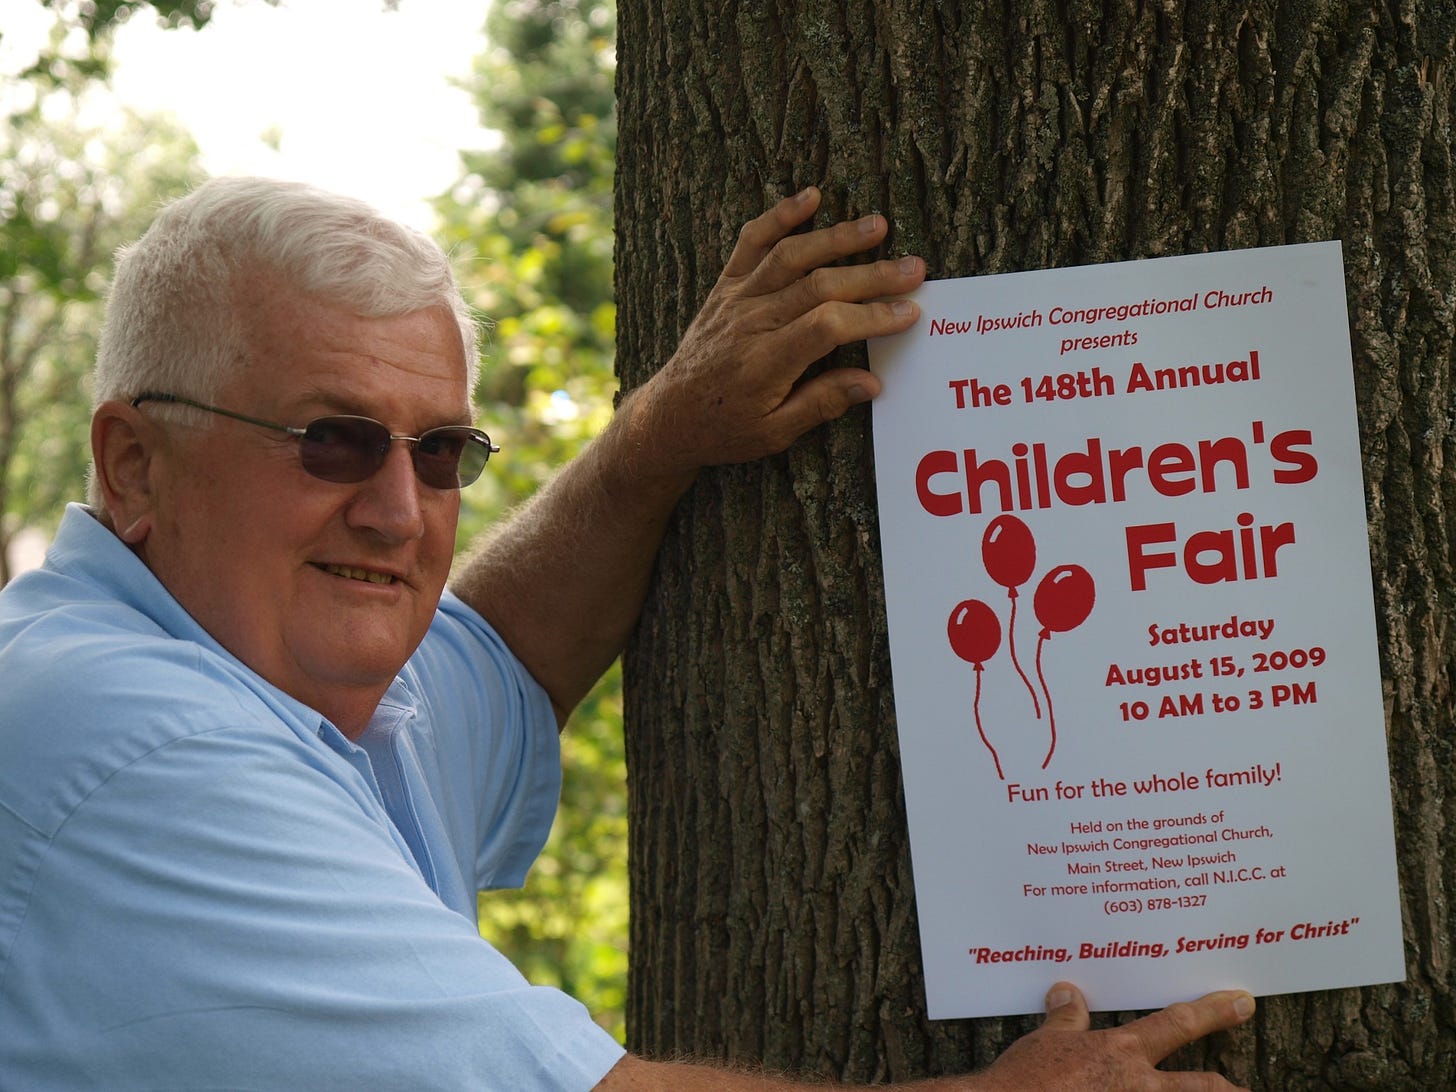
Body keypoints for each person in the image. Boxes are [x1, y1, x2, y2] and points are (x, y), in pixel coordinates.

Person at [0, 176, 1254, 1089]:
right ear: (135, 466)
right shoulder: (135, 740)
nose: (395, 510)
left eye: (440, 454)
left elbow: (498, 656)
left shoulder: (291, 681)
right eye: (331, 440)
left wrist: (659, 440)